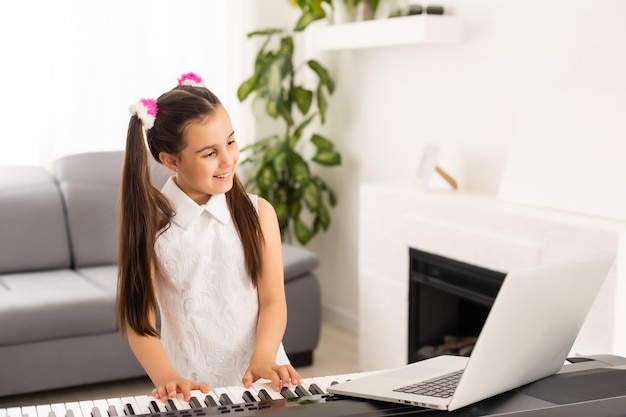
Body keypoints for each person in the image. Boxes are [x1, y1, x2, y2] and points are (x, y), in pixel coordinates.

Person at [116, 72, 301, 402]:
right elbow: (138, 321)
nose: (228, 159)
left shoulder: (259, 214)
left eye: (230, 142)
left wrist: (264, 356)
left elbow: (273, 300)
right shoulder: (152, 227)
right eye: (209, 153)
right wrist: (167, 377)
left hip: (263, 376)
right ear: (170, 160)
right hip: (191, 388)